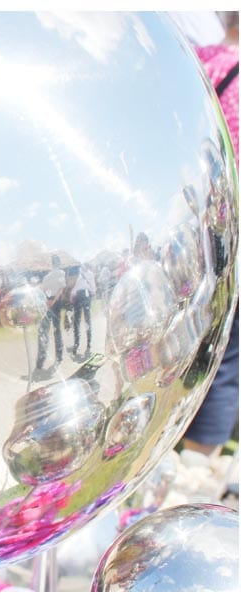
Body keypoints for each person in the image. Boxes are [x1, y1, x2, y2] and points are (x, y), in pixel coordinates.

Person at [182, 11, 239, 459]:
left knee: (188, 341)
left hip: (201, 230)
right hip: (234, 236)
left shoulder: (207, 63)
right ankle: (198, 469)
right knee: (227, 358)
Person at [34, 254, 66, 376]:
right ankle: (59, 356)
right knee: (57, 331)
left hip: (47, 302)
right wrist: (54, 300)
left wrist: (48, 301)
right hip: (56, 303)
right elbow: (61, 289)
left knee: (44, 332)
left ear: (52, 263)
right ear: (59, 263)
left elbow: (44, 290)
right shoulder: (61, 273)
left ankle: (40, 361)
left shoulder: (47, 277)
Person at [69, 263, 96, 359]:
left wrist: (72, 294)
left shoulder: (81, 274)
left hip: (80, 296)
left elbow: (75, 288)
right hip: (85, 296)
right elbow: (93, 288)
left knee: (78, 322)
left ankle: (78, 345)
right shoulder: (88, 274)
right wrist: (93, 292)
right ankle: (86, 344)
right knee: (85, 321)